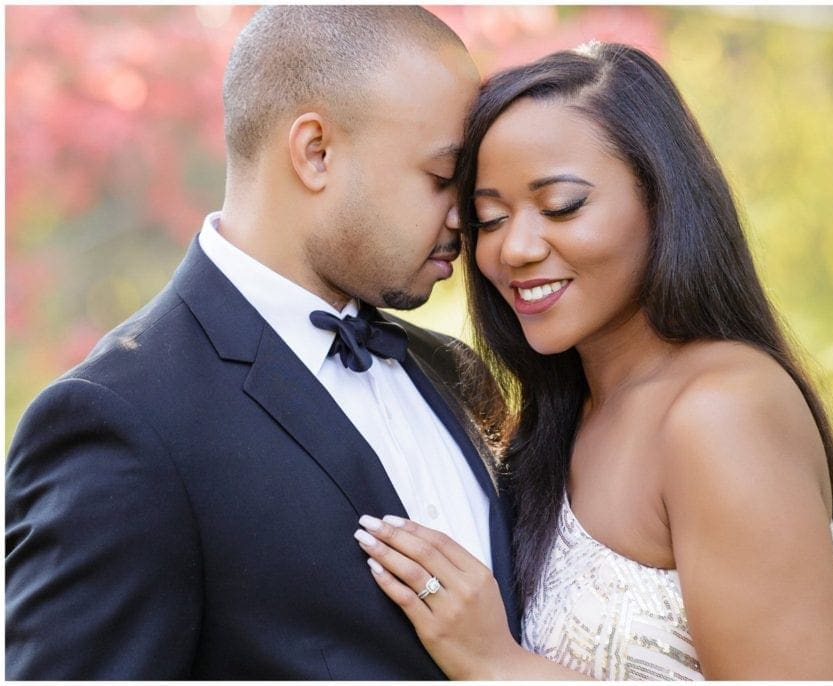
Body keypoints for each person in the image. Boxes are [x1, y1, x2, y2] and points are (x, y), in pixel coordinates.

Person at [5, 6, 519, 679]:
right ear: (315, 152)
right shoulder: (119, 420)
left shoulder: (453, 370)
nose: (464, 214)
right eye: (439, 177)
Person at [353, 42, 833, 680]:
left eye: (562, 206)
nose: (513, 248)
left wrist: (495, 663)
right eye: (489, 219)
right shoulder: (563, 416)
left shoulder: (721, 413)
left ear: (662, 199)